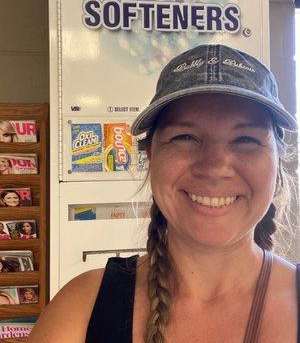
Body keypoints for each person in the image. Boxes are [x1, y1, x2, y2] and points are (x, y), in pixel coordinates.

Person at [28, 44, 299, 343]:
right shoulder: (80, 308)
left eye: (245, 139)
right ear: (149, 157)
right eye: (185, 137)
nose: (214, 166)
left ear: (278, 162)